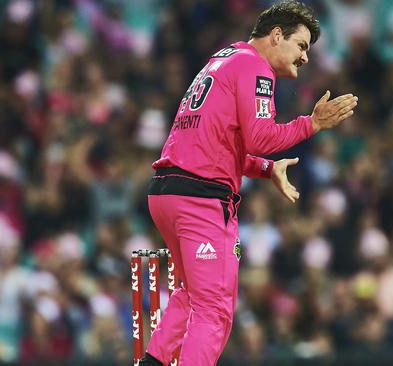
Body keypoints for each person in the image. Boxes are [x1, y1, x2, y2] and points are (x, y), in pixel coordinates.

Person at [140, 1, 358, 365]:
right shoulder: (256, 67)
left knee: (189, 295)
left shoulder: (224, 58)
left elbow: (220, 142)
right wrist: (312, 124)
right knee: (215, 311)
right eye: (301, 45)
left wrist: (266, 170)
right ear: (276, 35)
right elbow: (260, 137)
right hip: (202, 201)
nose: (305, 58)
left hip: (168, 193)